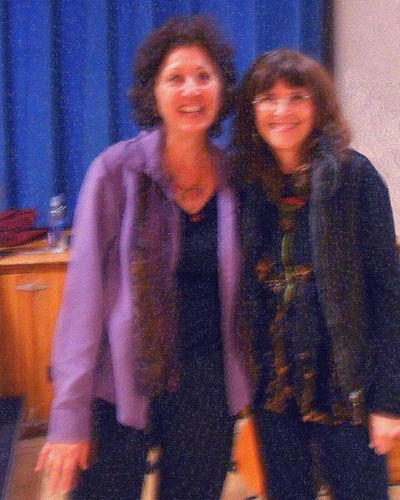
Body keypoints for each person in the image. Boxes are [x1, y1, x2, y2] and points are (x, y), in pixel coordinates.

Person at [35, 15, 251, 499]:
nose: (191, 90)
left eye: (204, 76)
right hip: (118, 385)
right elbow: (83, 303)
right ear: (153, 93)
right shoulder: (116, 172)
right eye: (175, 78)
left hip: (206, 386)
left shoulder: (236, 179)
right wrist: (69, 416)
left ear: (222, 89)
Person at [233, 49, 400, 499]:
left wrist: (389, 402)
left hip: (347, 390)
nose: (282, 111)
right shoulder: (248, 185)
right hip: (276, 394)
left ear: (319, 105)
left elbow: (389, 298)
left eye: (297, 97)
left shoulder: (355, 177)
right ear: (252, 111)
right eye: (269, 99)